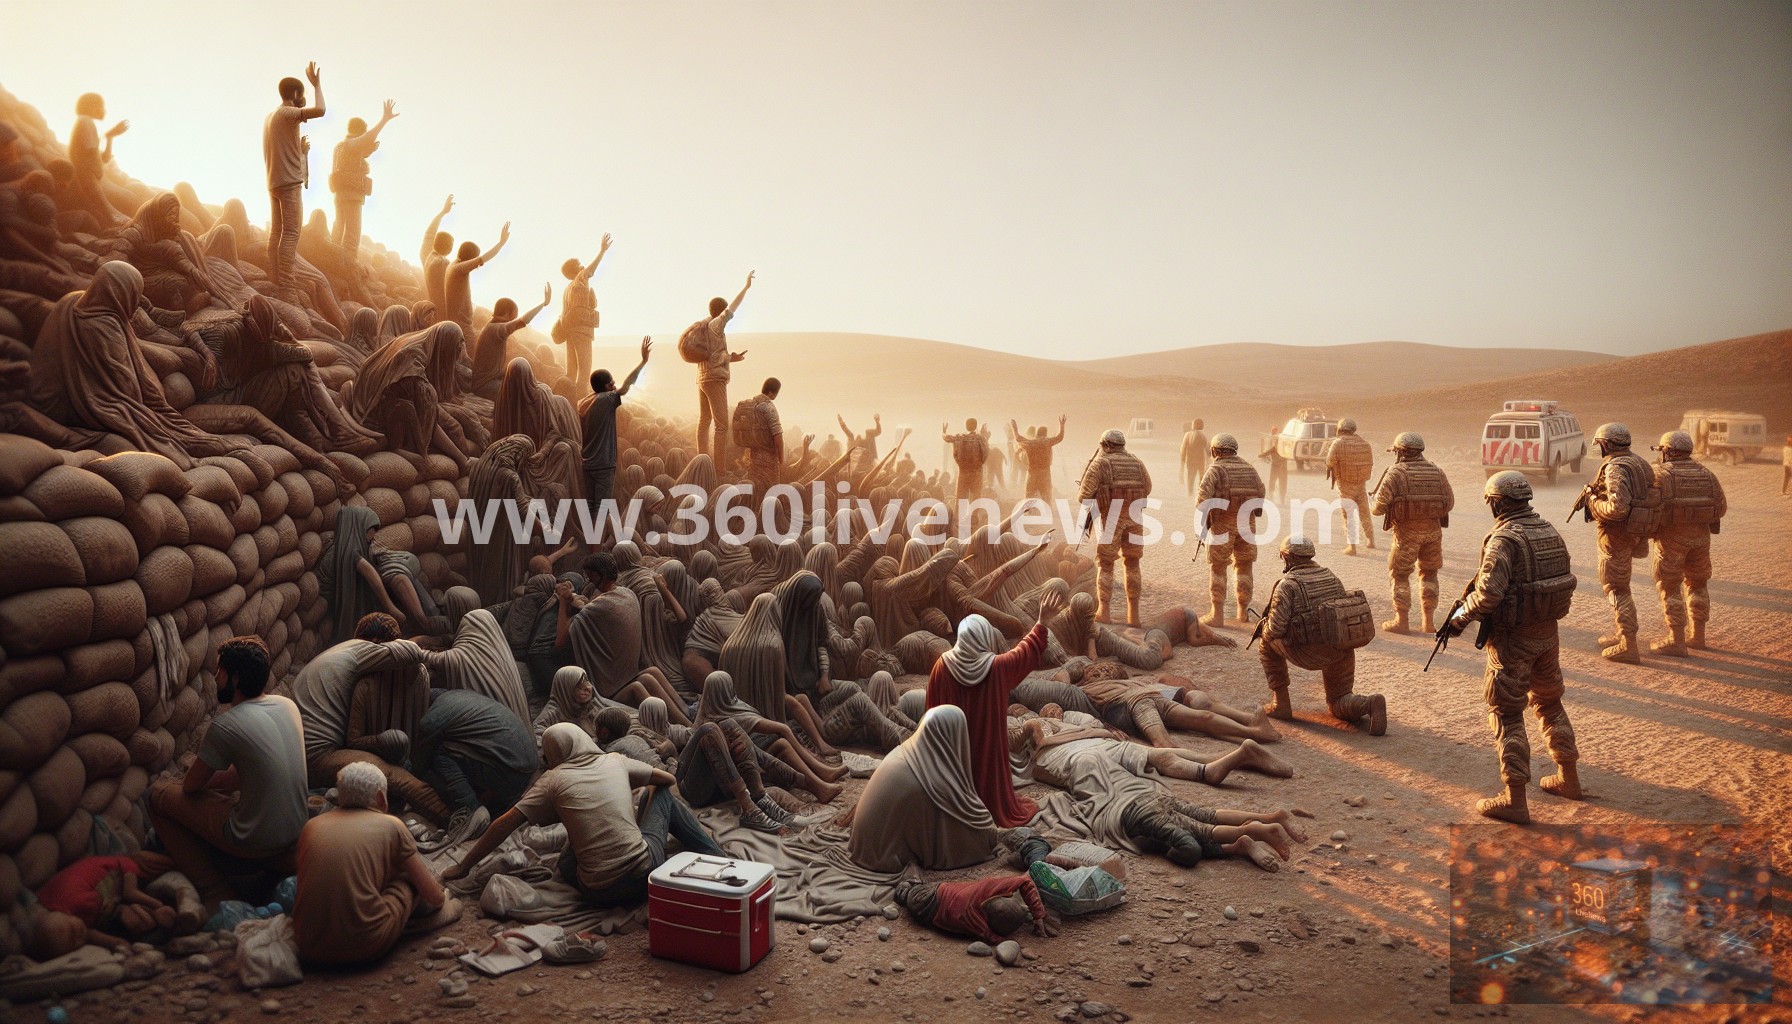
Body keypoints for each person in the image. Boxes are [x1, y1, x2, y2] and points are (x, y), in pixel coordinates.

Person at [442, 724, 725, 909]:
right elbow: (664, 779)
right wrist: (624, 793)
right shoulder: (614, 761)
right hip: (642, 877)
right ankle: (716, 853)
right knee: (660, 794)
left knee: (570, 854)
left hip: (596, 893)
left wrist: (463, 867)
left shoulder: (552, 780)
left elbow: (502, 824)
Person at [1442, 471, 1581, 824]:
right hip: (1547, 634)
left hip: (1513, 640)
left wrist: (1459, 619)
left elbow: (1488, 594)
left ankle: (1514, 797)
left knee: (1506, 713)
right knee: (1549, 702)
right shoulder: (1547, 529)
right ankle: (1569, 779)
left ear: (1497, 502)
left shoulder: (1504, 539)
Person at [147, 637, 307, 904]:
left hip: (250, 839)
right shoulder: (286, 705)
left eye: (220, 671)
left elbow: (190, 787)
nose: (215, 676)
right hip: (296, 830)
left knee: (157, 795)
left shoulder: (225, 726)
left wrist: (184, 780)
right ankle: (277, 862)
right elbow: (240, 774)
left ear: (235, 677)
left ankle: (214, 892)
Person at [291, 612, 456, 827]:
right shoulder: (361, 651)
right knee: (393, 776)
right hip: (316, 757)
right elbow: (412, 652)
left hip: (301, 752)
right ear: (378, 643)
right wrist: (431, 642)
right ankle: (451, 819)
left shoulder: (342, 650)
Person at [926, 587, 1067, 827]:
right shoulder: (997, 668)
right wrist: (1042, 621)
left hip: (951, 755)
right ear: (986, 638)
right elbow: (1025, 652)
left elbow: (931, 716)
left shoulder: (941, 666)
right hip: (987, 755)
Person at [294, 762, 458, 966]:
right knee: (411, 880)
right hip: (363, 946)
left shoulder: (311, 826)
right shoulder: (391, 825)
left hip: (307, 946)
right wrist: (443, 898)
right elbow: (434, 897)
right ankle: (417, 924)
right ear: (381, 797)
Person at [846, 706, 1012, 872]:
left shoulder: (906, 753)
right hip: (880, 856)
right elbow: (963, 835)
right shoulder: (932, 783)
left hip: (862, 842)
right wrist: (993, 837)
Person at [1257, 537, 1386, 734]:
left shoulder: (1287, 585)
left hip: (1309, 652)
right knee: (1338, 702)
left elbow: (1276, 629)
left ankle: (1281, 703)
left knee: (1266, 643)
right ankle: (1368, 704)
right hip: (1341, 648)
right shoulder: (1332, 577)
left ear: (1288, 557)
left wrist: (1263, 628)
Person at [1010, 703, 1290, 787]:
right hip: (1079, 752)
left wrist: (1093, 732)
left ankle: (1229, 758)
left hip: (1091, 749)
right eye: (1050, 710)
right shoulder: (1033, 722)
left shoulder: (1070, 721)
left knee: (1161, 755)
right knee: (1160, 758)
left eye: (1057, 709)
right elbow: (1044, 743)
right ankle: (1229, 759)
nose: (1055, 712)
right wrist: (1087, 733)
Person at [413, 689, 537, 838]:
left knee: (437, 753)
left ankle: (469, 808)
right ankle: (493, 805)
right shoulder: (465, 696)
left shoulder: (442, 705)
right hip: (525, 770)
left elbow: (427, 725)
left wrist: (416, 769)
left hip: (508, 769)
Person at [1586, 422, 1660, 664]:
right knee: (1621, 585)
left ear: (1606, 445)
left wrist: (1594, 503)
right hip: (1634, 532)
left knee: (1616, 587)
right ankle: (1622, 633)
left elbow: (1617, 508)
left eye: (1601, 445)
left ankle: (1628, 644)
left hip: (1616, 535)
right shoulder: (1639, 462)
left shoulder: (1615, 468)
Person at [1647, 431, 1726, 655]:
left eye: (1662, 450)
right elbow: (1721, 508)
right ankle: (1698, 636)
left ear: (1669, 452)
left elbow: (1650, 507)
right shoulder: (1707, 474)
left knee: (1670, 586)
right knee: (1698, 584)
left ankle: (1677, 640)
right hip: (1701, 540)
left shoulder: (1661, 475)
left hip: (1670, 540)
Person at [1371, 432, 1453, 634]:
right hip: (1433, 534)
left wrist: (1376, 500)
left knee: (1399, 575)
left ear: (1400, 452)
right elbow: (1449, 503)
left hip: (1406, 535)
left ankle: (1402, 621)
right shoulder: (1437, 471)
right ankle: (1428, 622)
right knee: (1429, 574)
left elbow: (1378, 509)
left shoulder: (1395, 473)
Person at [27, 855, 183, 957]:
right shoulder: (128, 866)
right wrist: (157, 906)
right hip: (90, 904)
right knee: (137, 923)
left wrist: (156, 906)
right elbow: (130, 894)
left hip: (69, 899)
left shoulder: (123, 865)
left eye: (74, 931)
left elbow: (129, 894)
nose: (79, 935)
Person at [423, 587, 532, 725]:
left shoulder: (464, 651)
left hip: (494, 720)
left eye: (448, 609)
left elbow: (452, 659)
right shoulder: (487, 633)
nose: (445, 613)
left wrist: (417, 650)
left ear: (455, 610)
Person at [1077, 428, 1152, 625]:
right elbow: (1148, 487)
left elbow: (1084, 496)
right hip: (1135, 519)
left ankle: (1104, 611)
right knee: (1133, 563)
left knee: (1106, 564)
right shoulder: (1136, 462)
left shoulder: (1100, 463)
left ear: (1107, 445)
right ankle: (1133, 616)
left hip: (1111, 519)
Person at [263, 63, 325, 296]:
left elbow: (281, 148)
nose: (305, 99)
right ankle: (286, 284)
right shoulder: (288, 113)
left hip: (275, 181)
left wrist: (300, 152)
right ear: (296, 94)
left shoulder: (272, 116)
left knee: (276, 232)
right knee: (290, 233)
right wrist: (317, 85)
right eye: (304, 95)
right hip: (289, 184)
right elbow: (321, 110)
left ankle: (274, 275)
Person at [1197, 434, 1266, 626]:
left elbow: (1203, 499)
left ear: (1215, 450)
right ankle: (1242, 613)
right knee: (1244, 567)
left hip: (1222, 525)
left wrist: (1201, 526)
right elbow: (1261, 491)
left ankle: (1217, 615)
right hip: (1247, 525)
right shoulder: (1249, 468)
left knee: (1218, 567)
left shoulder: (1215, 469)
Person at [582, 337, 651, 525]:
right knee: (601, 511)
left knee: (590, 509)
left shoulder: (584, 402)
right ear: (604, 388)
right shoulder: (606, 400)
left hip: (587, 463)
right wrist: (643, 362)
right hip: (603, 464)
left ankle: (592, 548)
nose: (614, 386)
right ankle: (596, 552)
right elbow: (626, 387)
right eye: (611, 384)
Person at [688, 271, 754, 464]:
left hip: (702, 378)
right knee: (722, 425)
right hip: (714, 380)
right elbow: (732, 309)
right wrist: (746, 287)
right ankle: (718, 469)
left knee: (704, 420)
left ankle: (702, 462)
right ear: (720, 310)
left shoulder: (704, 326)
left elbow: (712, 356)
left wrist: (731, 358)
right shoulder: (717, 324)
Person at [329, 99, 398, 257]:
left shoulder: (340, 146)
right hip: (351, 195)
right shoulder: (351, 144)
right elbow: (366, 139)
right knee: (352, 236)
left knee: (339, 230)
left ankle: (333, 261)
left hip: (340, 194)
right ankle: (347, 268)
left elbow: (358, 154)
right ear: (361, 131)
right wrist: (384, 120)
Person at [471, 286, 551, 397]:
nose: (515, 318)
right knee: (524, 395)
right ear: (508, 313)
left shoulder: (492, 326)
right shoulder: (496, 329)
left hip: (489, 381)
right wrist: (543, 304)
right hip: (484, 385)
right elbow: (523, 321)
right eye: (514, 315)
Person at [552, 234, 612, 383]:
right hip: (581, 331)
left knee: (571, 372)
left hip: (570, 331)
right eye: (580, 265)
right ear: (576, 270)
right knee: (584, 373)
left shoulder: (568, 288)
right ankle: (579, 405)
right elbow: (590, 271)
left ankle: (568, 403)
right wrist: (602, 251)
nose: (583, 266)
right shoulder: (580, 279)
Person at [67, 92, 128, 227]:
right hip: (86, 177)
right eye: (101, 106)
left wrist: (110, 136)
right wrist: (99, 173)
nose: (104, 111)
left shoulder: (86, 122)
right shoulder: (85, 121)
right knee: (112, 216)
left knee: (109, 214)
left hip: (90, 177)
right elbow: (94, 157)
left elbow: (102, 159)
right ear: (90, 107)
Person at [442, 222, 511, 337]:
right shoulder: (459, 268)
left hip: (460, 323)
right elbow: (483, 259)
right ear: (470, 258)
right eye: (475, 259)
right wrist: (500, 244)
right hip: (461, 326)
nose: (479, 266)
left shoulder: (453, 265)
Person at [1326, 417, 1375, 554]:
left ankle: (1352, 547)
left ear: (1340, 429)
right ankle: (1370, 539)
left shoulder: (1337, 444)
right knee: (1364, 511)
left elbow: (1330, 462)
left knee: (1348, 514)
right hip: (1361, 484)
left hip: (1345, 485)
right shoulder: (1364, 444)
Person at [738, 376, 786, 495]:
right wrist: (781, 460)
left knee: (754, 492)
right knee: (771, 492)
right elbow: (778, 437)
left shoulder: (750, 404)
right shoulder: (769, 407)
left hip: (752, 457)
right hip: (769, 459)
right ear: (772, 393)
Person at [1013, 416, 1067, 504]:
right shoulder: (1047, 442)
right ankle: (1047, 515)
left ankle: (1027, 515)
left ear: (1037, 434)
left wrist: (1014, 429)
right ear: (1045, 434)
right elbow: (1059, 438)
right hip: (1044, 474)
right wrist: (1062, 426)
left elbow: (1018, 438)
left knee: (1028, 500)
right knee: (1047, 500)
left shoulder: (1030, 443)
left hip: (1032, 475)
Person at [942, 417, 991, 508]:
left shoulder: (959, 438)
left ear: (966, 426)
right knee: (976, 500)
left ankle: (958, 521)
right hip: (977, 473)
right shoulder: (981, 439)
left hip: (963, 472)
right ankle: (974, 521)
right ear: (975, 426)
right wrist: (986, 438)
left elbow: (946, 438)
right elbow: (985, 454)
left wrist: (944, 431)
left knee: (960, 501)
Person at [419, 195, 454, 308]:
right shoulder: (443, 263)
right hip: (441, 311)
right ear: (449, 248)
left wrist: (443, 212)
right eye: (451, 245)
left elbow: (429, 233)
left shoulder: (427, 255)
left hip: (428, 305)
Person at [1178, 418, 1208, 497]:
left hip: (1191, 462)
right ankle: (1200, 495)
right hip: (1201, 462)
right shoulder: (1203, 436)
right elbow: (1208, 451)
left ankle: (1190, 494)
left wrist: (1182, 463)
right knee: (1202, 480)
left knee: (1190, 480)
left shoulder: (1188, 435)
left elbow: (1183, 450)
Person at [1257, 431, 1288, 504]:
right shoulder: (1285, 450)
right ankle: (1282, 500)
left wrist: (1260, 455)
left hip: (1275, 469)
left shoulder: (1274, 449)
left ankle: (1272, 499)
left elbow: (1264, 454)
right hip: (1283, 470)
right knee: (1282, 485)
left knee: (1272, 483)